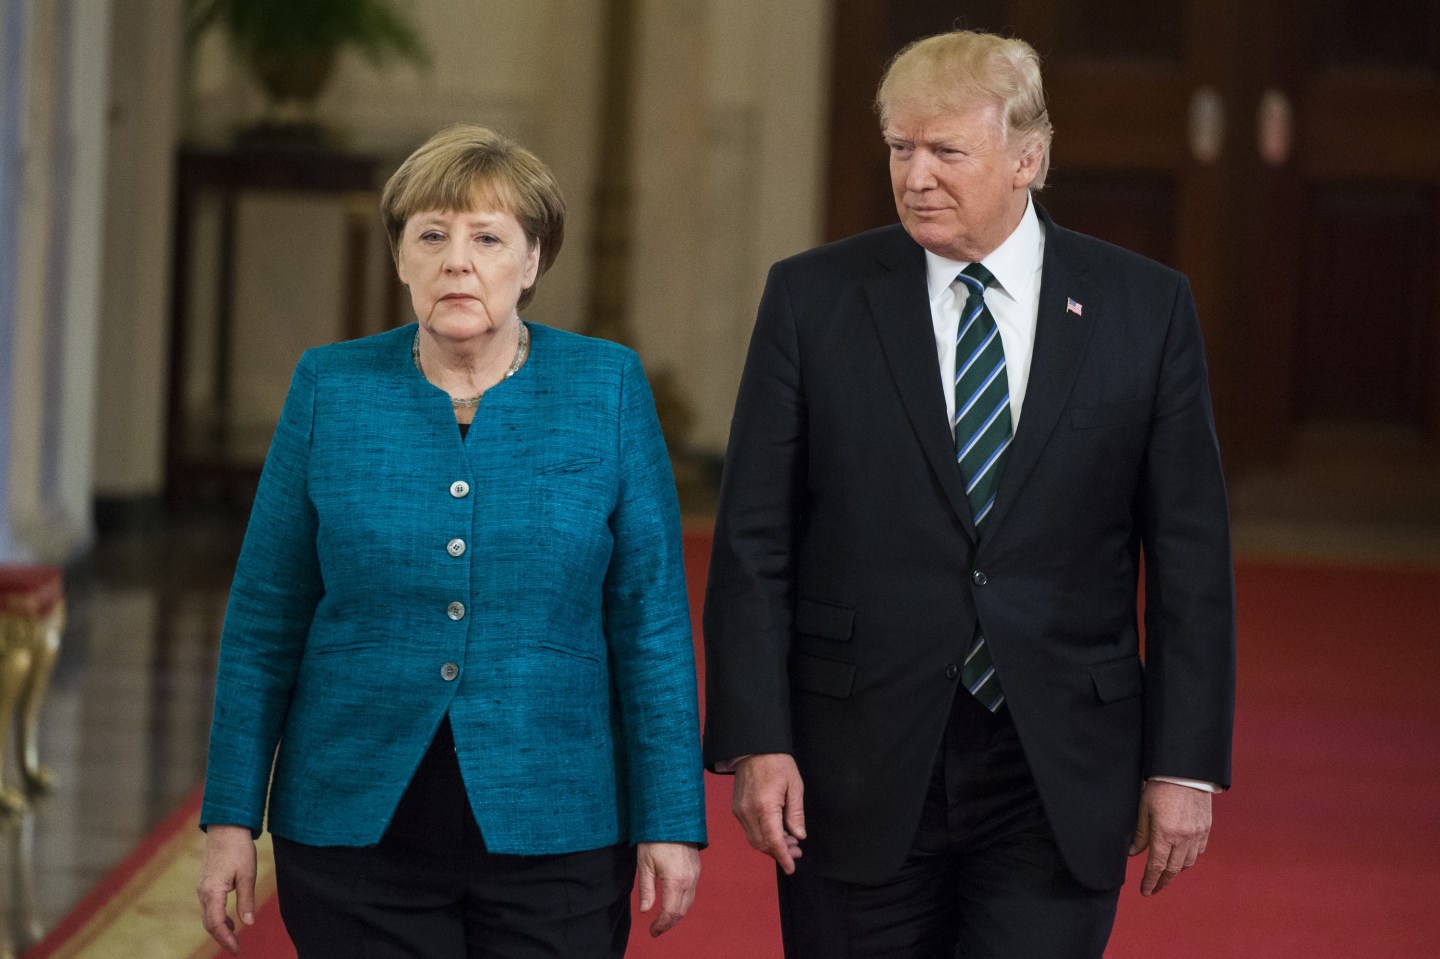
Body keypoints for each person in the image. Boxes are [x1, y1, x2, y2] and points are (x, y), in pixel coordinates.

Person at [703, 30, 1235, 959]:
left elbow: (1191, 558)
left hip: (1058, 761)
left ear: (1029, 158)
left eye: (947, 151)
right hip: (856, 758)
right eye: (900, 148)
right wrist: (757, 740)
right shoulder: (812, 299)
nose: (916, 177)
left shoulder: (1144, 310)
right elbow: (754, 541)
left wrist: (1184, 762)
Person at [196, 123, 706, 959]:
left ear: (533, 260)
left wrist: (671, 818)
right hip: (354, 826)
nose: (456, 262)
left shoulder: (605, 387)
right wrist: (229, 818)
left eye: (487, 238)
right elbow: (265, 617)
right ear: (400, 258)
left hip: (557, 825)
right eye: (431, 235)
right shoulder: (329, 386)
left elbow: (650, 622)